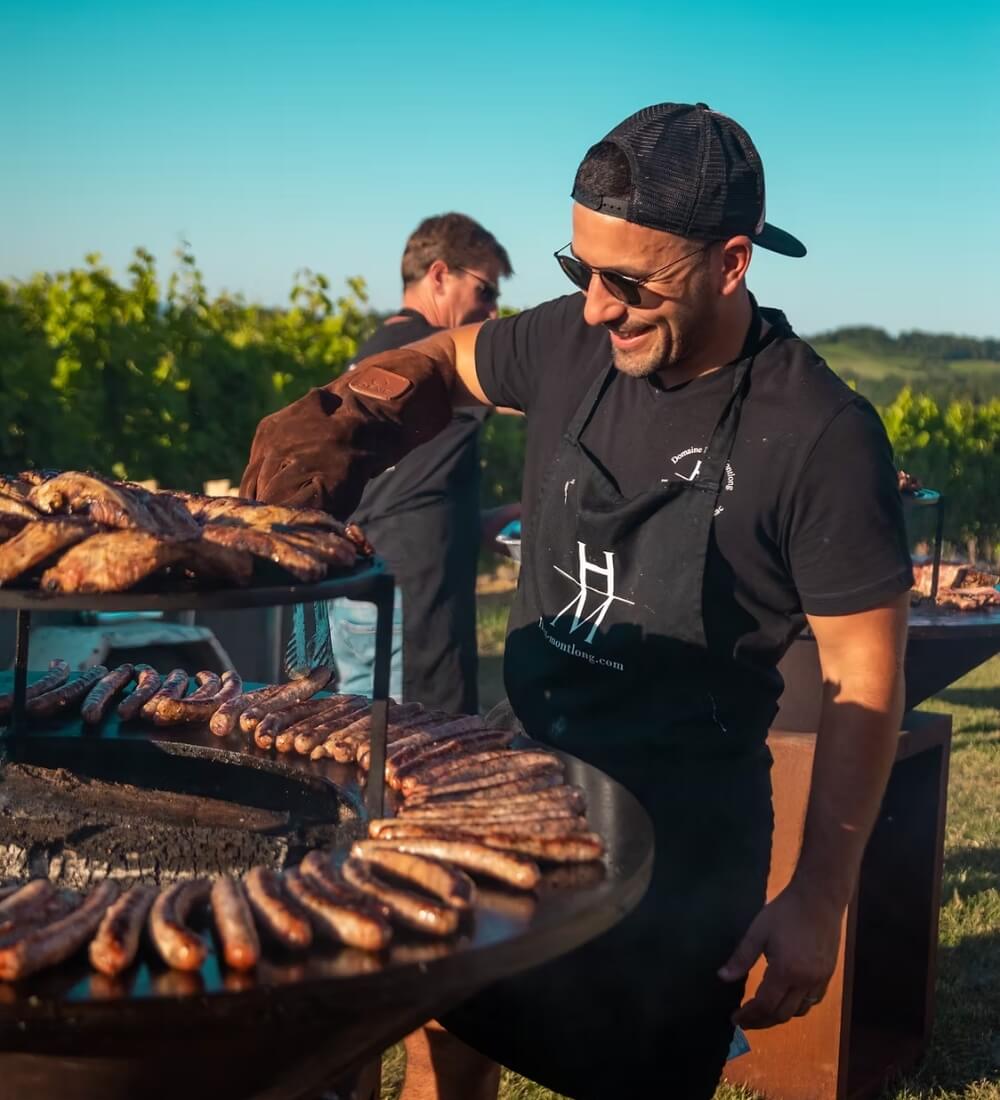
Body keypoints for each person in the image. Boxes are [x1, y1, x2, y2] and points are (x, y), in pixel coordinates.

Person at [242, 102, 913, 1099]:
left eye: (630, 283)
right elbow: (445, 359)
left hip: (677, 856)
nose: (597, 307)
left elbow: (865, 674)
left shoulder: (820, 433)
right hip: (513, 793)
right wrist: (353, 411)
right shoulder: (570, 340)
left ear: (731, 263)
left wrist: (819, 892)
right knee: (451, 1025)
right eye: (580, 271)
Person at [328, 213, 516, 713]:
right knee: (423, 758)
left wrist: (476, 524)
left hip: (362, 592)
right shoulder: (437, 363)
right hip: (414, 603)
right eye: (485, 292)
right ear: (439, 276)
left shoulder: (375, 354)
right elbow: (532, 391)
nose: (493, 313)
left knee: (359, 751)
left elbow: (402, 489)